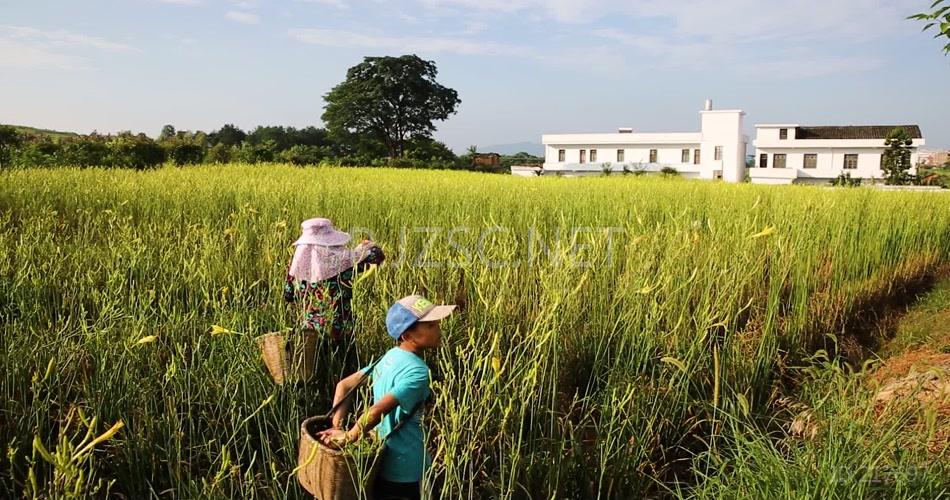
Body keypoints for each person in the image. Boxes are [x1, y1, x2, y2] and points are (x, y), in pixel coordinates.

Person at [317, 295, 456, 500]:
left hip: (379, 464)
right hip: (410, 469)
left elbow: (344, 385)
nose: (439, 330)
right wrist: (349, 437)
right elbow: (376, 411)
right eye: (431, 326)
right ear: (408, 335)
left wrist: (337, 426)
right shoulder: (419, 372)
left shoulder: (389, 356)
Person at [283, 217, 385, 378]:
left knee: (317, 368)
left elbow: (288, 296)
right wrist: (365, 247)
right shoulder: (343, 262)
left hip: (310, 330)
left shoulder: (296, 270)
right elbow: (377, 257)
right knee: (345, 366)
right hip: (341, 327)